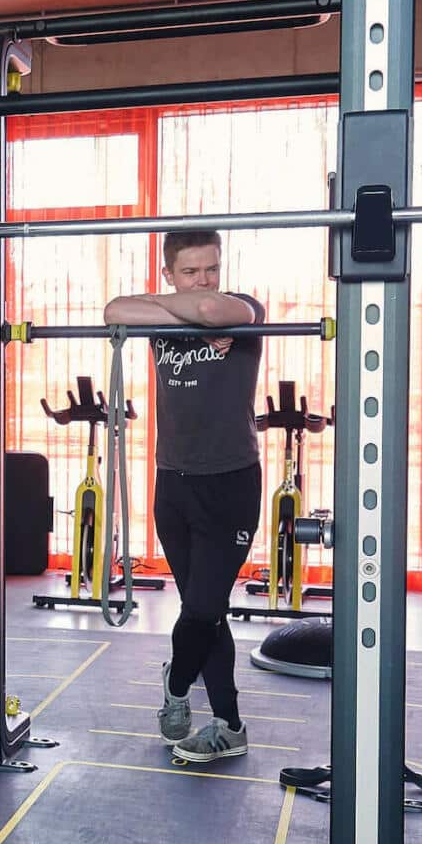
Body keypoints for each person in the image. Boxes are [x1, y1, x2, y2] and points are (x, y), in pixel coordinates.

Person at [104, 229, 264, 761]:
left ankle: (178, 687)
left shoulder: (245, 310)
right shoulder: (176, 312)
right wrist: (191, 312)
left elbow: (219, 310)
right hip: (173, 484)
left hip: (230, 482)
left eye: (212, 270)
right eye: (191, 271)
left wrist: (188, 309)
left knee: (201, 609)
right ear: (168, 272)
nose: (205, 281)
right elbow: (113, 308)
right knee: (207, 612)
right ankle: (228, 727)